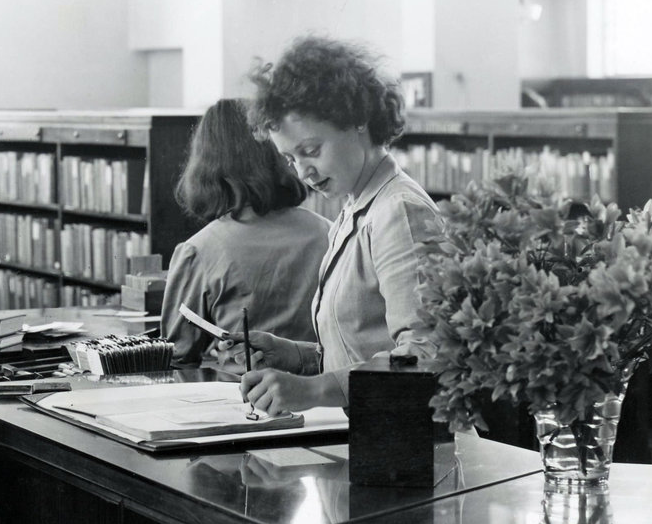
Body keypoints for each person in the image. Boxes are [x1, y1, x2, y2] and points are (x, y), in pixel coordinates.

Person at [228, 35, 441, 415]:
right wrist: (295, 356)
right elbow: (362, 350)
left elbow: (423, 355)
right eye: (290, 158)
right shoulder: (353, 209)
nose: (303, 171)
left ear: (357, 120)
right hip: (372, 438)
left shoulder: (398, 211)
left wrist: (313, 392)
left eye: (311, 150)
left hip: (415, 449)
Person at [160, 98, 331, 368]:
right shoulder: (328, 231)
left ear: (206, 163)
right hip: (322, 395)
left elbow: (177, 354)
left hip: (242, 398)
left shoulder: (200, 250)